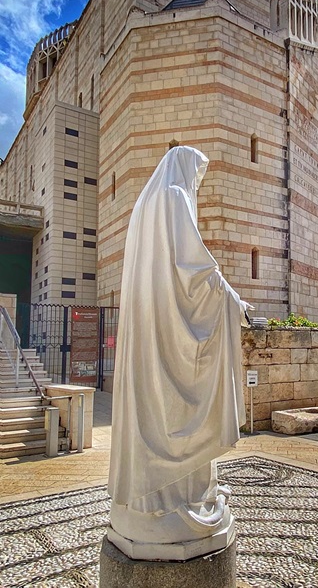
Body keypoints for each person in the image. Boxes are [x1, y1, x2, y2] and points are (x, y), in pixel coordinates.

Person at [108, 146, 251, 559]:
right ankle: (177, 497)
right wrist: (233, 302)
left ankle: (146, 497)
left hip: (150, 321)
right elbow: (195, 269)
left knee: (152, 407)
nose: (197, 184)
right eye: (197, 174)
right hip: (169, 325)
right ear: (185, 169)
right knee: (177, 409)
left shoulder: (145, 203)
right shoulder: (174, 196)